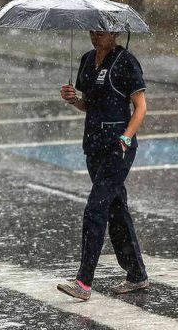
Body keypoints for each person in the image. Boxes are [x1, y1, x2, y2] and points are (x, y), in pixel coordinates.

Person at [56, 30, 149, 301]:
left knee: (95, 209)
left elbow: (140, 107)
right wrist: (73, 99)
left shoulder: (125, 61)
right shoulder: (86, 59)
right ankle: (137, 275)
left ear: (116, 33)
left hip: (117, 149)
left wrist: (125, 138)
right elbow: (90, 105)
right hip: (93, 146)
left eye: (103, 32)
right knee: (116, 209)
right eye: (93, 31)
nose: (96, 37)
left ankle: (83, 282)